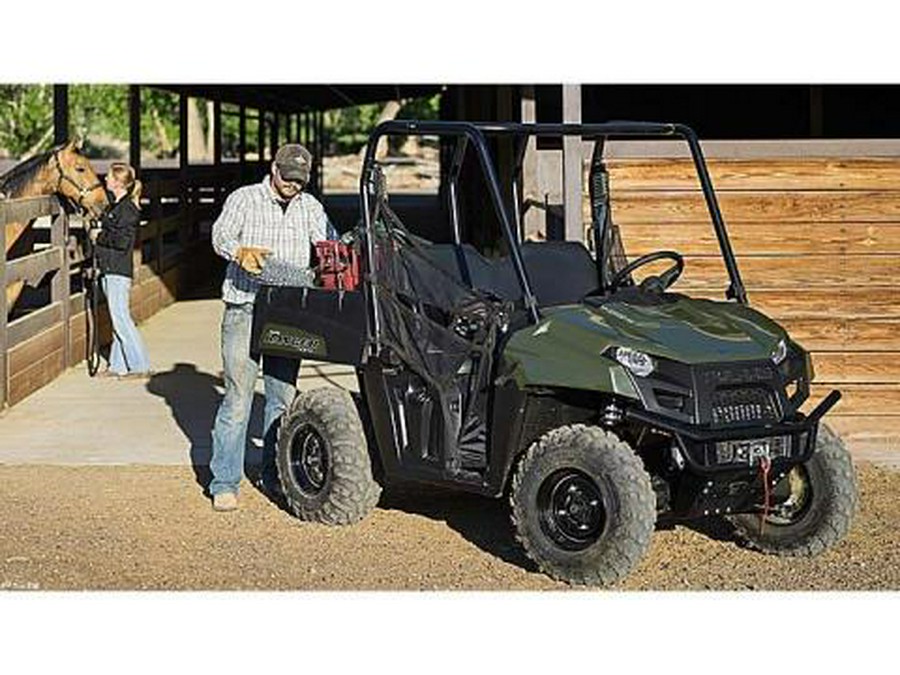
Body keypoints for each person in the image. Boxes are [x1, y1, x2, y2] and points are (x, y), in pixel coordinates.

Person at [208, 143, 330, 511]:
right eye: (287, 178)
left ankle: (275, 476)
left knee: (281, 398)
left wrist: (333, 259)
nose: (292, 185)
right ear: (273, 169)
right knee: (238, 398)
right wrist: (238, 252)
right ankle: (224, 481)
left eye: (299, 181)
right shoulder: (244, 199)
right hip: (245, 307)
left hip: (287, 313)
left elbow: (328, 242)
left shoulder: (310, 206)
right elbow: (220, 236)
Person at [93, 162, 152, 379]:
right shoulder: (116, 207)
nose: (105, 179)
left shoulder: (127, 209)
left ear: (118, 182)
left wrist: (98, 237)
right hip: (110, 267)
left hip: (117, 269)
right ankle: (118, 365)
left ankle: (140, 365)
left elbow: (122, 241)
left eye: (109, 177)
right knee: (116, 317)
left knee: (121, 318)